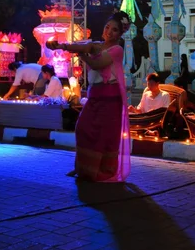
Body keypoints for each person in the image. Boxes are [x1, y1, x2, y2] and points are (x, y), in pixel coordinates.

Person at [46, 11, 131, 182]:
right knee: (82, 128)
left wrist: (83, 56)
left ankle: (101, 171)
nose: (109, 32)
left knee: (103, 136)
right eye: (107, 27)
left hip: (110, 99)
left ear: (120, 34)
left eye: (115, 30)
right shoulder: (97, 45)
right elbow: (79, 46)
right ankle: (83, 168)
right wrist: (60, 46)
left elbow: (97, 63)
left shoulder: (117, 50)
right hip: (95, 97)